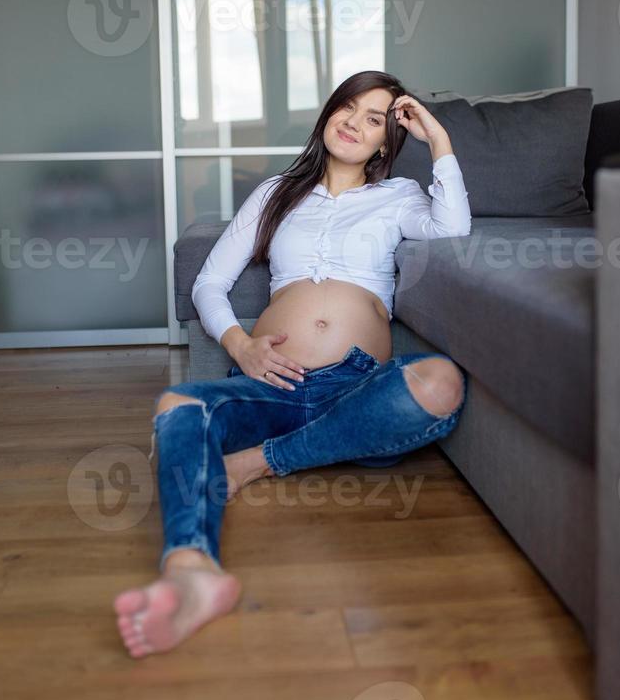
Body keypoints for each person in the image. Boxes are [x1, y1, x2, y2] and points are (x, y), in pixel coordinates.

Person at [114, 69, 472, 658]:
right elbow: (210, 284)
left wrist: (439, 140)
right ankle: (189, 574)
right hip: (269, 384)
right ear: (328, 113)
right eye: (348, 108)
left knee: (439, 381)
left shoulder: (400, 198)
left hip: (355, 389)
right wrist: (241, 346)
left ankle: (254, 463)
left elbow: (453, 226)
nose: (355, 123)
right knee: (177, 404)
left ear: (388, 140)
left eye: (376, 118)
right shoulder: (277, 192)